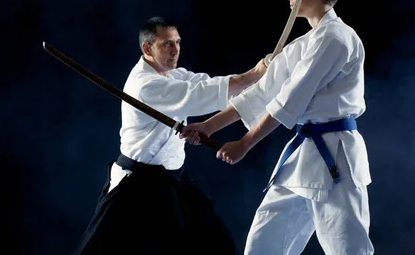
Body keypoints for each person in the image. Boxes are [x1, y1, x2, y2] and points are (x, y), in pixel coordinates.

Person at [180, 0, 374, 255]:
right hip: (305, 157)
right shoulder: (306, 43)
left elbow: (290, 99)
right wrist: (207, 126)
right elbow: (262, 91)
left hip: (337, 156)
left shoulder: (335, 38)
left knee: (347, 247)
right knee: (264, 243)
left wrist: (245, 142)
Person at [72, 16, 268, 255]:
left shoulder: (172, 74)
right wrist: (255, 73)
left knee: (217, 244)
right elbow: (198, 95)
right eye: (167, 44)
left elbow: (206, 84)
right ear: (147, 48)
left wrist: (258, 78)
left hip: (173, 181)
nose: (175, 50)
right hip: (137, 186)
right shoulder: (145, 85)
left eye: (177, 42)